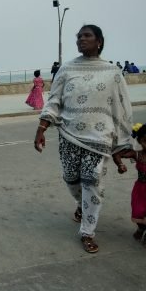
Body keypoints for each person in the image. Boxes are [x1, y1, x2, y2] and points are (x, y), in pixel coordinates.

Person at [34, 24, 133, 254]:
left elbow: (122, 107)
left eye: (87, 36)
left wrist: (122, 143)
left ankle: (87, 231)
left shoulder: (113, 72)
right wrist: (42, 127)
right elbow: (54, 100)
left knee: (92, 183)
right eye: (79, 36)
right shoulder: (67, 69)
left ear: (99, 40)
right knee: (71, 179)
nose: (81, 39)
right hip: (69, 136)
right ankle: (80, 204)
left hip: (99, 139)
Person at [113, 123, 146, 244]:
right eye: (145, 141)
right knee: (138, 211)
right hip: (141, 189)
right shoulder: (137, 154)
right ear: (140, 141)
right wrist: (120, 165)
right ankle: (141, 228)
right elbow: (117, 154)